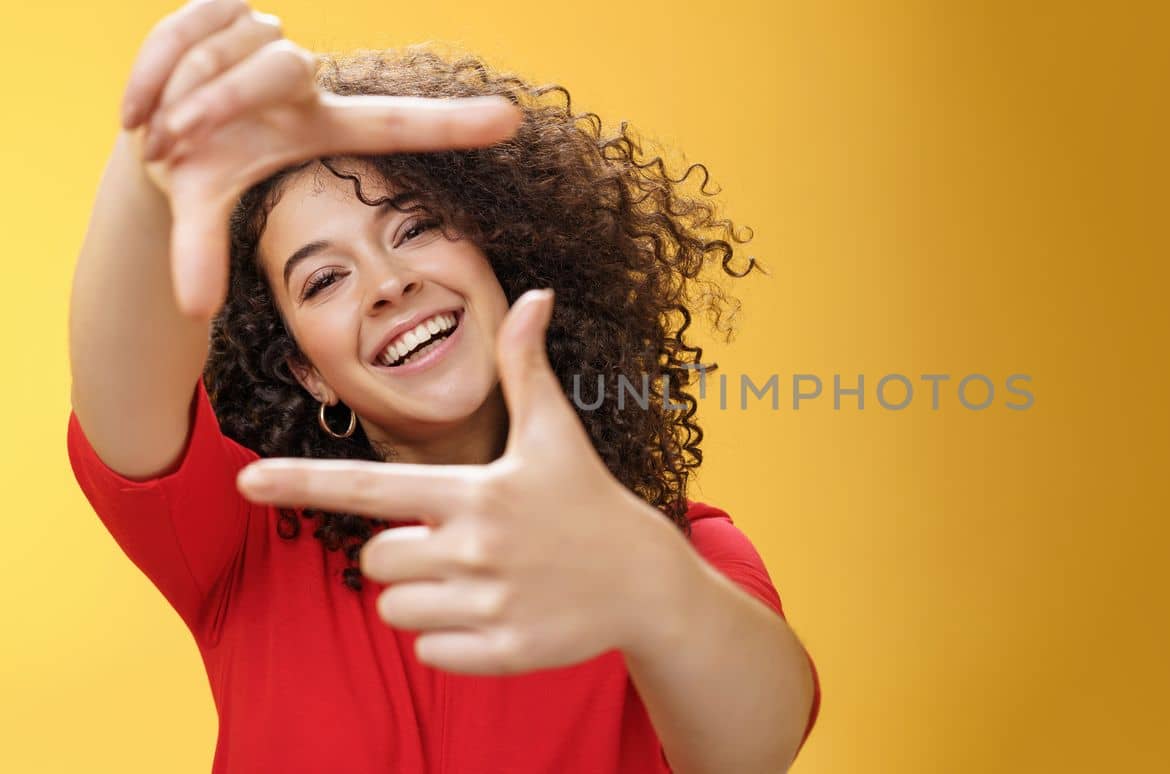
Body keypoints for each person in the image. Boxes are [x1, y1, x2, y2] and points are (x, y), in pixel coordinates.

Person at [64, 1, 820, 771]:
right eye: (324, 279)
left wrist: (653, 584)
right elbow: (122, 394)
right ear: (307, 373)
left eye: (415, 228)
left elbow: (754, 748)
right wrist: (147, 182)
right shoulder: (246, 542)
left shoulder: (682, 551)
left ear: (506, 259)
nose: (388, 284)